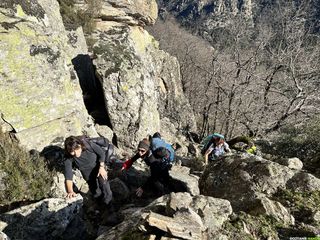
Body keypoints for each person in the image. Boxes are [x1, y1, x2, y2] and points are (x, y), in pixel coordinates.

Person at [64, 136, 112, 205]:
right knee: (96, 192)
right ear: (68, 151)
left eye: (77, 149)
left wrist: (101, 167)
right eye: (72, 151)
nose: (76, 153)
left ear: (80, 145)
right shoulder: (68, 158)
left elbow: (101, 153)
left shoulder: (88, 145)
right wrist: (70, 191)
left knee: (105, 187)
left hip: (98, 167)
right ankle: (101, 206)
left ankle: (109, 206)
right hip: (87, 174)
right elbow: (68, 175)